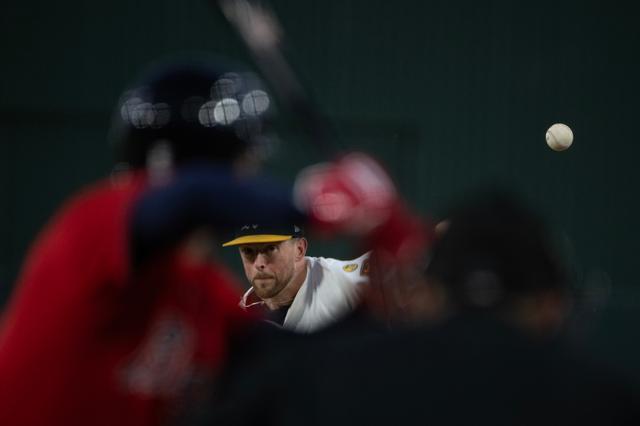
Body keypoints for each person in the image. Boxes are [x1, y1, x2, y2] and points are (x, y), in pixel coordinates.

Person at [0, 57, 302, 426]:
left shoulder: (202, 290)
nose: (252, 175)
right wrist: (316, 202)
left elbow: (288, 355)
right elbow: (194, 196)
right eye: (245, 160)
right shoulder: (93, 224)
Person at [211, 190, 640, 426]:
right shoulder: (605, 400)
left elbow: (241, 390)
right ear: (552, 303)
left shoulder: (340, 376)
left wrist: (359, 316)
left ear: (428, 293)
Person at [222, 223, 370, 333]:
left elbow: (382, 263)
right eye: (248, 251)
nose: (259, 263)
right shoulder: (237, 318)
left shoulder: (342, 280)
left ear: (299, 249)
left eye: (270, 249)